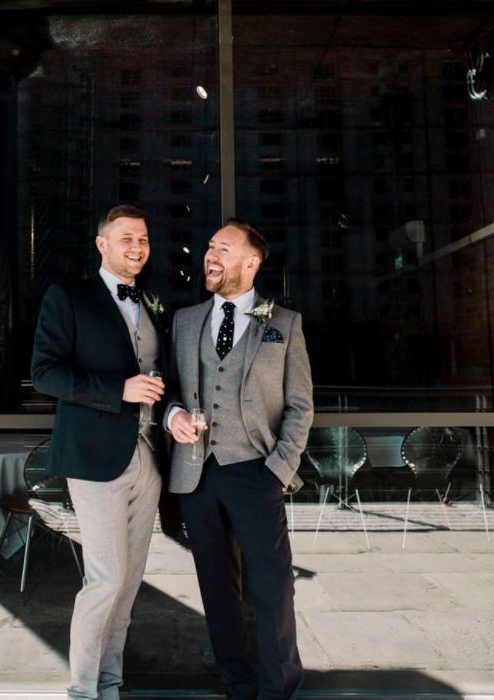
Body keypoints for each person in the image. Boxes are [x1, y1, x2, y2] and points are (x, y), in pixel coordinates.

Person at [166, 218, 313, 700]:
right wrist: (172, 416)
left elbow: (300, 406)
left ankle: (279, 688)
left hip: (257, 471)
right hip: (196, 474)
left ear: (250, 262)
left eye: (223, 248)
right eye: (209, 246)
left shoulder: (283, 323)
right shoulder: (185, 321)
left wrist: (278, 471)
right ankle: (237, 684)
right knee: (217, 590)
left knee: (272, 588)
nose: (210, 255)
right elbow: (166, 389)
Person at [31, 204, 166, 700]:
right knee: (105, 579)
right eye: (127, 238)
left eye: (144, 240)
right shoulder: (68, 297)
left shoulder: (152, 301)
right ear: (102, 244)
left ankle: (111, 683)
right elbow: (45, 373)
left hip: (149, 457)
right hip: (95, 457)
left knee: (128, 584)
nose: (137, 247)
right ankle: (83, 691)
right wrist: (118, 391)